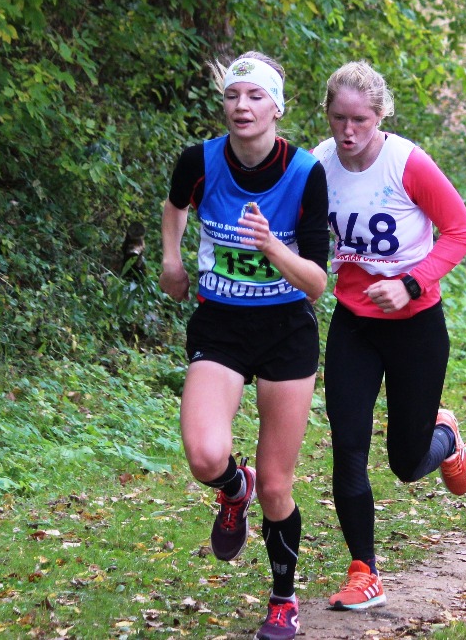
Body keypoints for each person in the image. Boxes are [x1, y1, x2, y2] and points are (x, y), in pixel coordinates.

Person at [159, 51, 329, 640]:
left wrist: (273, 249)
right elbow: (176, 205)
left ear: (277, 107)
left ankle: (283, 597)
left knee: (280, 486)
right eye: (233, 96)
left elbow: (316, 283)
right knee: (206, 455)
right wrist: (172, 260)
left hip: (286, 330)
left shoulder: (307, 172)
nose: (242, 107)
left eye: (256, 97)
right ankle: (235, 488)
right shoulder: (199, 160)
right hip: (221, 326)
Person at [314, 61, 466, 610]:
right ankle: (365, 571)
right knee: (347, 446)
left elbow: (460, 233)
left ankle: (446, 438)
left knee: (406, 464)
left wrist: (410, 283)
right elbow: (305, 234)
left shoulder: (407, 163)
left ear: (380, 115)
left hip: (416, 328)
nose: (348, 131)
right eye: (338, 118)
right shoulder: (318, 164)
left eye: (359, 118)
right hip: (354, 328)